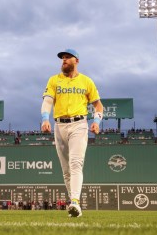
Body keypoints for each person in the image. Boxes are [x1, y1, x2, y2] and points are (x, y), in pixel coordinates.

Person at [41, 48, 103, 218]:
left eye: (68, 57)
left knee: (76, 163)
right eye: (62, 58)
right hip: (59, 125)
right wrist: (45, 118)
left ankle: (74, 201)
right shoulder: (54, 80)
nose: (64, 60)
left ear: (77, 60)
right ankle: (74, 205)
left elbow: (98, 106)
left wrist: (96, 122)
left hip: (79, 124)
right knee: (66, 170)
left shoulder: (86, 81)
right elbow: (47, 101)